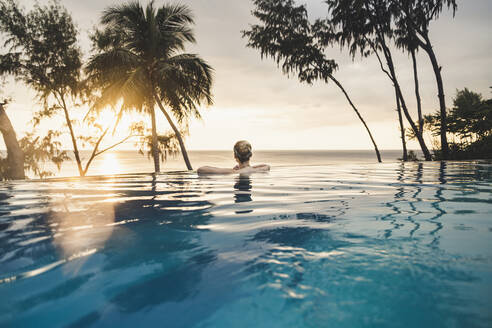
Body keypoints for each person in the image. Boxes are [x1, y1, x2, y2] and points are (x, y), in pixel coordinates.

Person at [197, 140, 270, 175]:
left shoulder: (233, 172)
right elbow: (267, 166)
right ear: (250, 155)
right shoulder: (258, 170)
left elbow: (201, 169)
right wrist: (248, 168)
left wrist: (237, 170)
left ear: (235, 156)